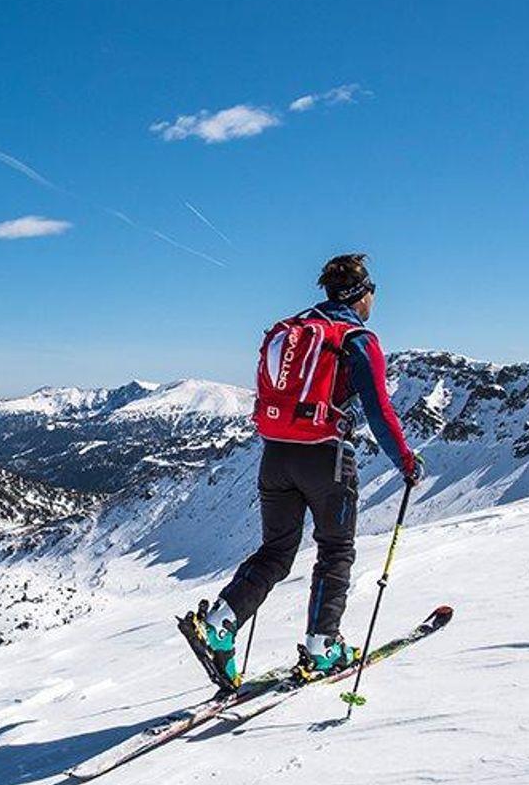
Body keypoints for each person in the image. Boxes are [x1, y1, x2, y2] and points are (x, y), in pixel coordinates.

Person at [180, 253, 419, 690]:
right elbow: (379, 410)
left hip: (275, 455)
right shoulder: (357, 339)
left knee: (276, 550)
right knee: (335, 550)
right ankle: (323, 646)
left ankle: (220, 622)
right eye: (372, 292)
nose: (373, 299)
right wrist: (405, 460)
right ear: (361, 294)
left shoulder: (293, 331)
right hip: (326, 458)